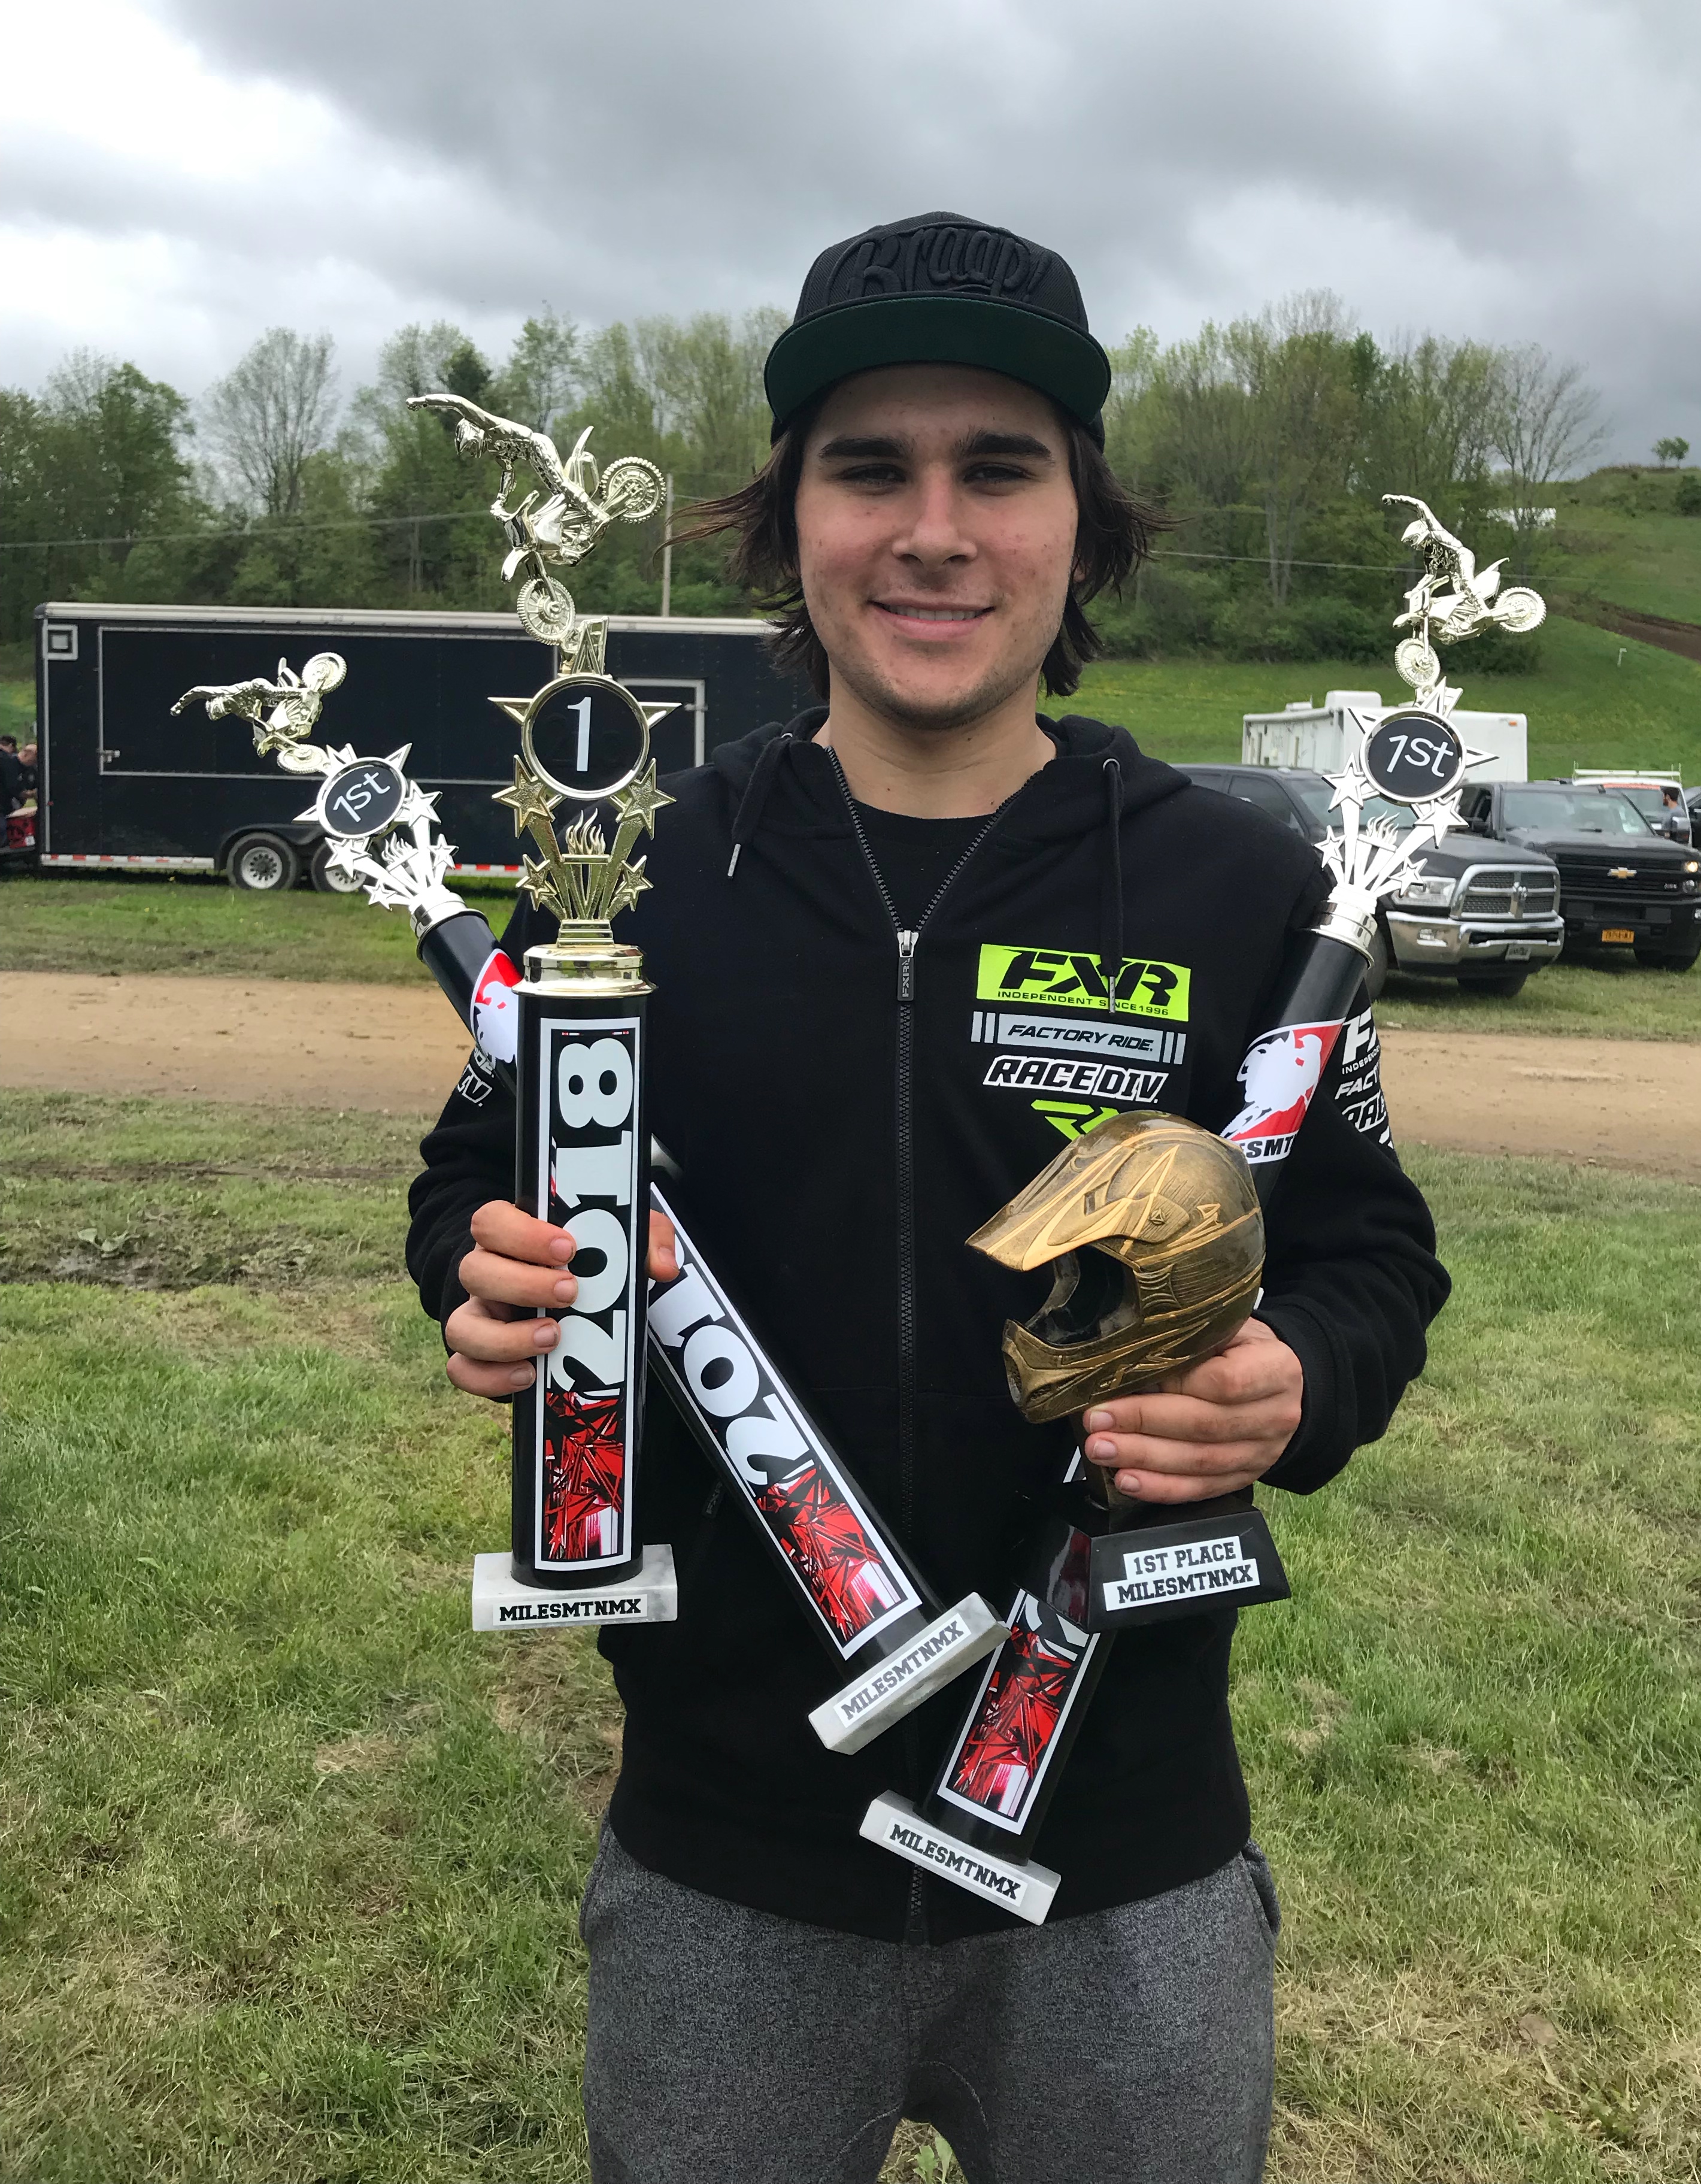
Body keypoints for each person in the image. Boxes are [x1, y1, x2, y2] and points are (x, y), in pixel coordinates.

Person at [407, 211, 1449, 2184]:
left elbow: (1370, 1252)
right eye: (871, 469)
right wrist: (480, 1274)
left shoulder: (1238, 895)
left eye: (1001, 469)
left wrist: (1299, 1378)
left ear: (1085, 525)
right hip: (727, 1862)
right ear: (791, 520)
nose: (935, 532)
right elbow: (480, 1163)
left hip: (1124, 1858)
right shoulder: (641, 882)